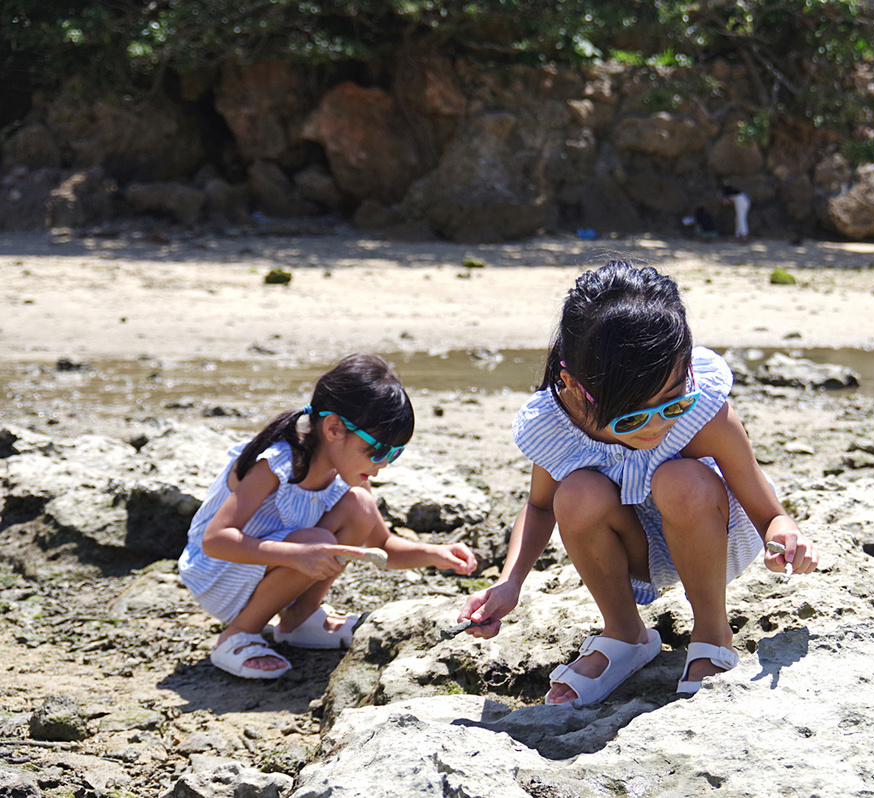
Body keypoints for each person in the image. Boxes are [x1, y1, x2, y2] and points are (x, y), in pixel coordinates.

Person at [457, 261, 818, 707]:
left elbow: (763, 501)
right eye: (632, 415)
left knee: (680, 478)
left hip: (713, 537)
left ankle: (711, 629)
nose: (656, 426)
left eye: (671, 402)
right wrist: (510, 582)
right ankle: (626, 633)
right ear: (572, 386)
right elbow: (541, 507)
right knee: (576, 494)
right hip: (634, 551)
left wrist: (782, 530)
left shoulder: (701, 406)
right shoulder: (556, 426)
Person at [179, 353, 477, 679]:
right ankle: (237, 635)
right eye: (378, 450)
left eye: (395, 452)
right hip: (217, 573)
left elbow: (383, 547)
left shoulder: (345, 479)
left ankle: (298, 621)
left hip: (262, 568)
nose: (384, 463)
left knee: (359, 508)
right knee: (318, 541)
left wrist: (434, 554)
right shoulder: (278, 463)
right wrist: (296, 554)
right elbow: (215, 540)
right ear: (334, 428)